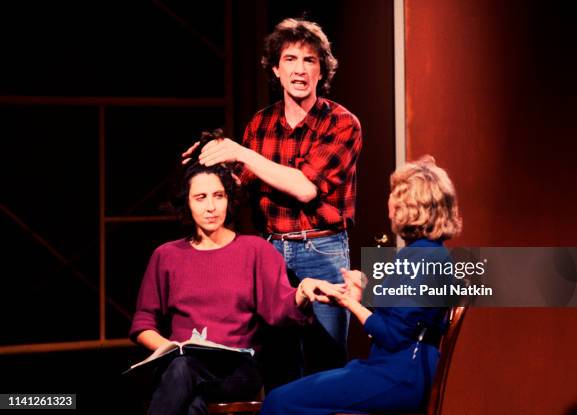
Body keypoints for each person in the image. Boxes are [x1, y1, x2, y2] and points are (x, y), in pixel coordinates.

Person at [184, 18, 363, 378]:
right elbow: (239, 185)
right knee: (278, 365)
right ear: (276, 69)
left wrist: (242, 152)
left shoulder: (342, 124)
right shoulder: (260, 124)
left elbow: (304, 187)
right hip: (270, 253)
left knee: (325, 364)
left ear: (321, 70)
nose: (299, 69)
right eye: (291, 59)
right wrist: (206, 161)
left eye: (309, 60)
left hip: (322, 251)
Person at [129, 150, 342, 415]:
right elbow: (143, 323)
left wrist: (302, 291)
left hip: (236, 371)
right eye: (201, 198)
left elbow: (279, 310)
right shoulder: (167, 255)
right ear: (187, 203)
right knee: (191, 397)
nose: (211, 207)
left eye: (219, 196)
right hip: (182, 366)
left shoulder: (254, 249)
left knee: (184, 373)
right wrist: (172, 349)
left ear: (229, 199)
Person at [260, 155, 463, 414]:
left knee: (280, 401)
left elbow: (391, 335)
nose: (388, 200)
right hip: (402, 371)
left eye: (394, 194)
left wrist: (352, 304)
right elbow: (402, 323)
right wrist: (361, 297)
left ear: (410, 205)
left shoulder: (419, 258)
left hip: (399, 376)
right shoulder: (430, 254)